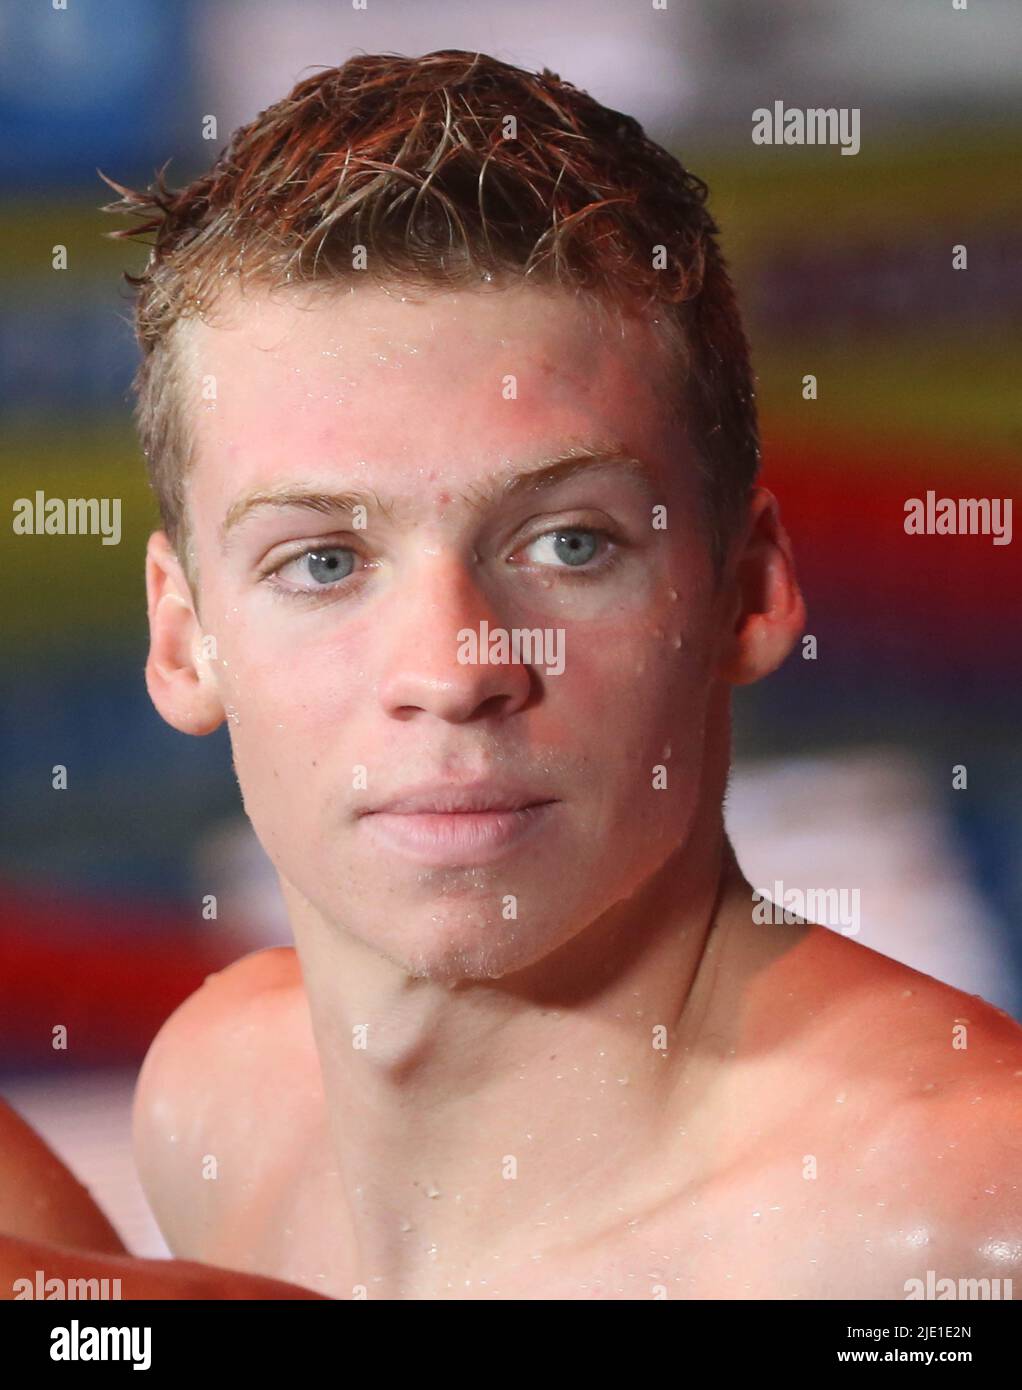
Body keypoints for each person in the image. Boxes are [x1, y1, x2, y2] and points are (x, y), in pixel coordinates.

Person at [5, 49, 1019, 1301]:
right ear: (181, 638)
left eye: (566, 544)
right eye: (322, 560)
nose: (453, 669)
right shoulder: (227, 1098)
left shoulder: (953, 1217)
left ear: (746, 594)